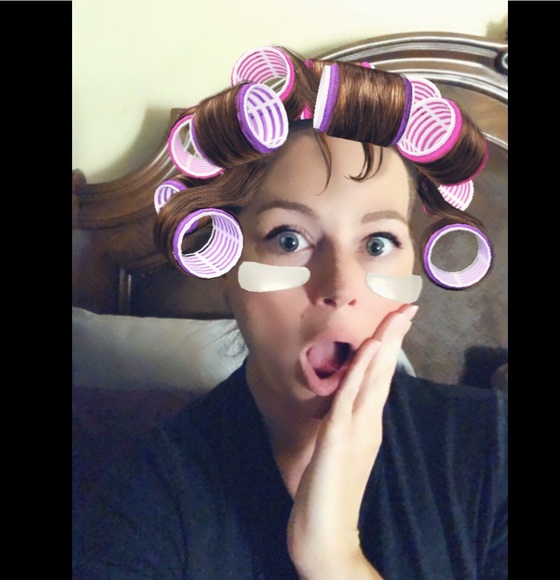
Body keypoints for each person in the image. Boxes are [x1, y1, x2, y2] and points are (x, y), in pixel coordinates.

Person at [72, 46, 507, 579]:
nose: (340, 287)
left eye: (377, 243)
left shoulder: (492, 447)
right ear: (227, 267)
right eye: (288, 239)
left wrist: (332, 555)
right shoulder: (144, 499)